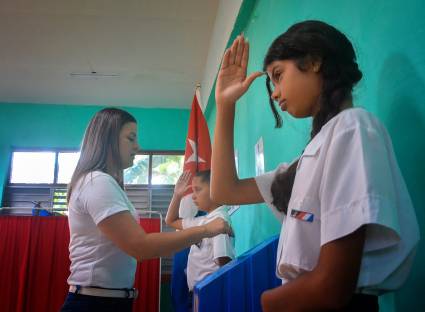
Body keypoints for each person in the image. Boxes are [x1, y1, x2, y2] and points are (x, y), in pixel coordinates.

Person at [211, 20, 420, 311]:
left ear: (313, 61)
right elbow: (224, 191)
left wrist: (267, 301)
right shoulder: (309, 157)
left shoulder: (351, 127)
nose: (274, 92)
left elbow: (330, 287)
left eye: (278, 75)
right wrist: (225, 106)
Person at [60, 108, 232, 312]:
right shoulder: (97, 182)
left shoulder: (104, 183)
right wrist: (207, 229)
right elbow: (140, 246)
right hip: (94, 303)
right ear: (108, 140)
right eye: (130, 138)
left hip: (108, 300)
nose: (137, 146)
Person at [165, 170, 235, 309]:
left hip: (210, 291)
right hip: (200, 291)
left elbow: (223, 261)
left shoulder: (219, 220)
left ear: (215, 190)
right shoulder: (203, 221)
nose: (193, 197)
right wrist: (177, 195)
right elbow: (170, 221)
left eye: (198, 190)